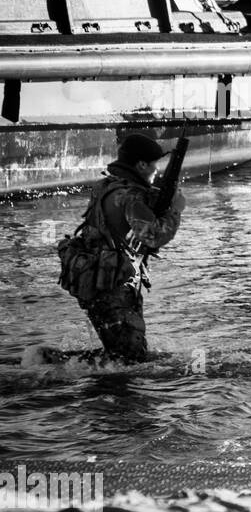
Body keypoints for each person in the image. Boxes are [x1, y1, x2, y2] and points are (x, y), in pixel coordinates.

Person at [56, 132, 185, 362]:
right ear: (142, 164)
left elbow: (121, 220)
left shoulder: (107, 185)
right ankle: (50, 363)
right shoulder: (130, 197)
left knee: (123, 355)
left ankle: (57, 363)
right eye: (154, 165)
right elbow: (153, 236)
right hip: (112, 288)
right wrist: (175, 210)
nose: (157, 171)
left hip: (96, 278)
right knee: (129, 361)